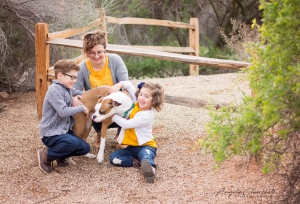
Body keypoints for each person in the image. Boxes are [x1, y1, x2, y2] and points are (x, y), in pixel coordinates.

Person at [73, 31, 129, 138]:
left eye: (100, 52)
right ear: (86, 52)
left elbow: (126, 85)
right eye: (92, 53)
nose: (96, 56)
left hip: (116, 105)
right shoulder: (82, 68)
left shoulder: (115, 60)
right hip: (98, 109)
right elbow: (76, 91)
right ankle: (99, 132)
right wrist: (74, 98)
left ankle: (123, 130)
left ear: (105, 50)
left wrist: (116, 88)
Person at [38, 59, 90, 173]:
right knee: (73, 143)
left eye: (76, 77)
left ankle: (60, 155)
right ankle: (46, 155)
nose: (74, 80)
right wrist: (82, 108)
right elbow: (63, 111)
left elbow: (81, 93)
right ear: (60, 75)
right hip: (51, 133)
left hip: (63, 132)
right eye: (72, 77)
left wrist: (93, 95)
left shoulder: (67, 88)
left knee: (85, 148)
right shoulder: (54, 90)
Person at [109, 81, 164, 183]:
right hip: (131, 147)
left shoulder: (146, 116)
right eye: (141, 94)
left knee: (146, 156)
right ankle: (136, 162)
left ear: (154, 101)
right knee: (114, 158)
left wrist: (113, 116)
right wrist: (117, 86)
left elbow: (126, 124)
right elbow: (129, 85)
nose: (141, 98)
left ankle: (150, 169)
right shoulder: (136, 103)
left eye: (146, 96)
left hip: (146, 146)